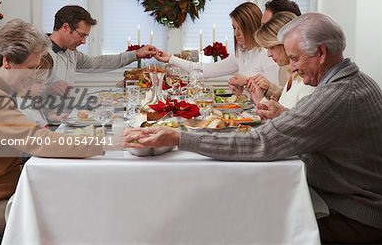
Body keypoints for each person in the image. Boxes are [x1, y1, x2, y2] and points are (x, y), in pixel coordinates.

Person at [125, 13, 382, 243]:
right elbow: (318, 129)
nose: (291, 67)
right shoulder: (354, 82)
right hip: (349, 206)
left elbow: (261, 142)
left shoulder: (336, 95)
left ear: (321, 53)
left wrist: (179, 137)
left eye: (294, 58)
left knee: (245, 227)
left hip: (356, 219)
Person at [0, 19, 119, 237]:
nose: (35, 75)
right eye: (31, 68)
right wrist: (110, 143)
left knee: (73, 194)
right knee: (70, 214)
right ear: (7, 62)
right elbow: (38, 141)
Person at [154, 2, 280, 95]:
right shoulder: (241, 53)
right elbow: (206, 70)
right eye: (234, 28)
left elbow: (273, 98)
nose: (236, 34)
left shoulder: (269, 55)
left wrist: (246, 83)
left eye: (240, 28)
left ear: (251, 26)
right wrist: (170, 59)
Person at [47, 5, 157, 95]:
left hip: (65, 116)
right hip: (45, 121)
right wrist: (48, 89)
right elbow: (30, 93)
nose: (84, 41)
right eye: (81, 35)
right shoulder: (39, 54)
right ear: (65, 27)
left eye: (85, 37)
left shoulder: (71, 52)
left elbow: (98, 63)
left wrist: (136, 54)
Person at [247, 12, 315, 118]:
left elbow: (298, 126)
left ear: (286, 44)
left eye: (272, 47)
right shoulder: (292, 76)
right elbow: (284, 114)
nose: (269, 54)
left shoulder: (307, 83)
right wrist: (260, 100)